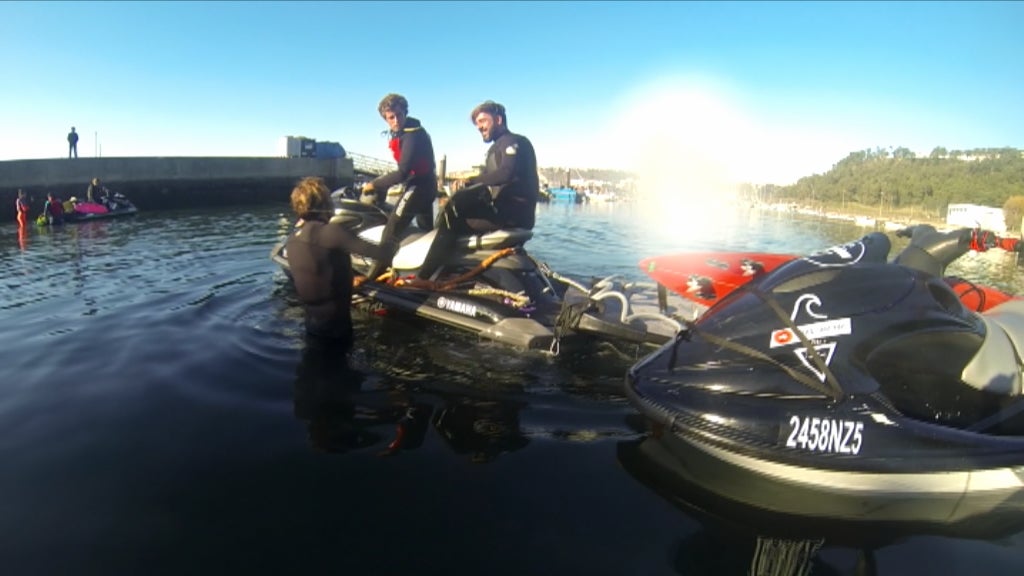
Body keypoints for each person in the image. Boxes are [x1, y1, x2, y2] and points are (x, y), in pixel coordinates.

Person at [416, 100, 538, 280]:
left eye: (483, 121)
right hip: (503, 212)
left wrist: (470, 181)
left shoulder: (514, 142)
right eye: (477, 124)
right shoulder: (495, 148)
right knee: (454, 209)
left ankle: (425, 276)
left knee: (451, 219)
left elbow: (506, 173)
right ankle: (455, 267)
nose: (479, 127)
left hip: (513, 215)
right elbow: (490, 185)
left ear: (498, 120)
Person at [286, 176, 397, 346]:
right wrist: (394, 236)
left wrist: (350, 279)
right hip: (337, 331)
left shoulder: (292, 239)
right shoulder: (331, 232)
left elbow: (318, 275)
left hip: (311, 327)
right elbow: (382, 254)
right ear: (324, 204)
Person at [359, 93, 438, 280]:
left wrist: (374, 184)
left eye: (399, 115)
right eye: (390, 118)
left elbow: (402, 172)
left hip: (420, 186)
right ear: (385, 118)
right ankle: (427, 273)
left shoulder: (413, 134)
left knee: (391, 230)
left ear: (405, 113)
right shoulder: (403, 132)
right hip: (425, 185)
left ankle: (374, 277)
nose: (396, 120)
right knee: (425, 230)